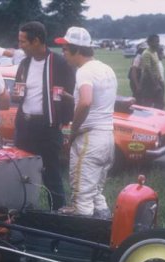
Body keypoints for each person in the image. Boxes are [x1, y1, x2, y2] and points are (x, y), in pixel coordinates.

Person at [55, 26, 117, 218]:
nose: (63, 53)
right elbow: (96, 100)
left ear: (77, 49)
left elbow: (87, 101)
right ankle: (106, 234)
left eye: (65, 49)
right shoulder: (106, 68)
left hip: (89, 140)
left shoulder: (84, 71)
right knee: (96, 194)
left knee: (81, 200)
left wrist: (73, 130)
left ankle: (81, 244)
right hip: (107, 138)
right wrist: (69, 97)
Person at [14, 21, 74, 210]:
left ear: (37, 41)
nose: (20, 46)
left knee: (51, 174)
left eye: (23, 42)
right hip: (24, 126)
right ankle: (21, 212)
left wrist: (63, 122)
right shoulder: (24, 64)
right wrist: (16, 95)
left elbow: (71, 94)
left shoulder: (59, 62)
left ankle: (57, 214)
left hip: (48, 128)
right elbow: (18, 91)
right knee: (20, 173)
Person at [139, 34, 164, 109]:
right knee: (147, 103)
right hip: (149, 81)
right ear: (149, 43)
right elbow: (148, 69)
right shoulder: (146, 53)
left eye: (158, 42)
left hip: (157, 80)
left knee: (159, 103)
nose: (157, 44)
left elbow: (156, 68)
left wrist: (160, 80)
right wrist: (156, 85)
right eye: (155, 42)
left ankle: (158, 120)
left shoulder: (155, 52)